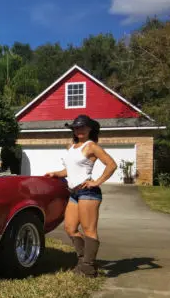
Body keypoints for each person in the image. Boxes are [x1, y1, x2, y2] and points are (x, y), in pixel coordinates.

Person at [45, 114, 118, 277]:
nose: (79, 130)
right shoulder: (71, 146)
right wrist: (56, 173)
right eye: (76, 127)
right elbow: (70, 170)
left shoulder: (91, 146)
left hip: (88, 192)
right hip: (74, 193)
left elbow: (112, 165)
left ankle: (88, 267)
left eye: (82, 127)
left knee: (88, 229)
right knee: (70, 228)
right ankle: (83, 259)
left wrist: (97, 181)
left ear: (90, 129)